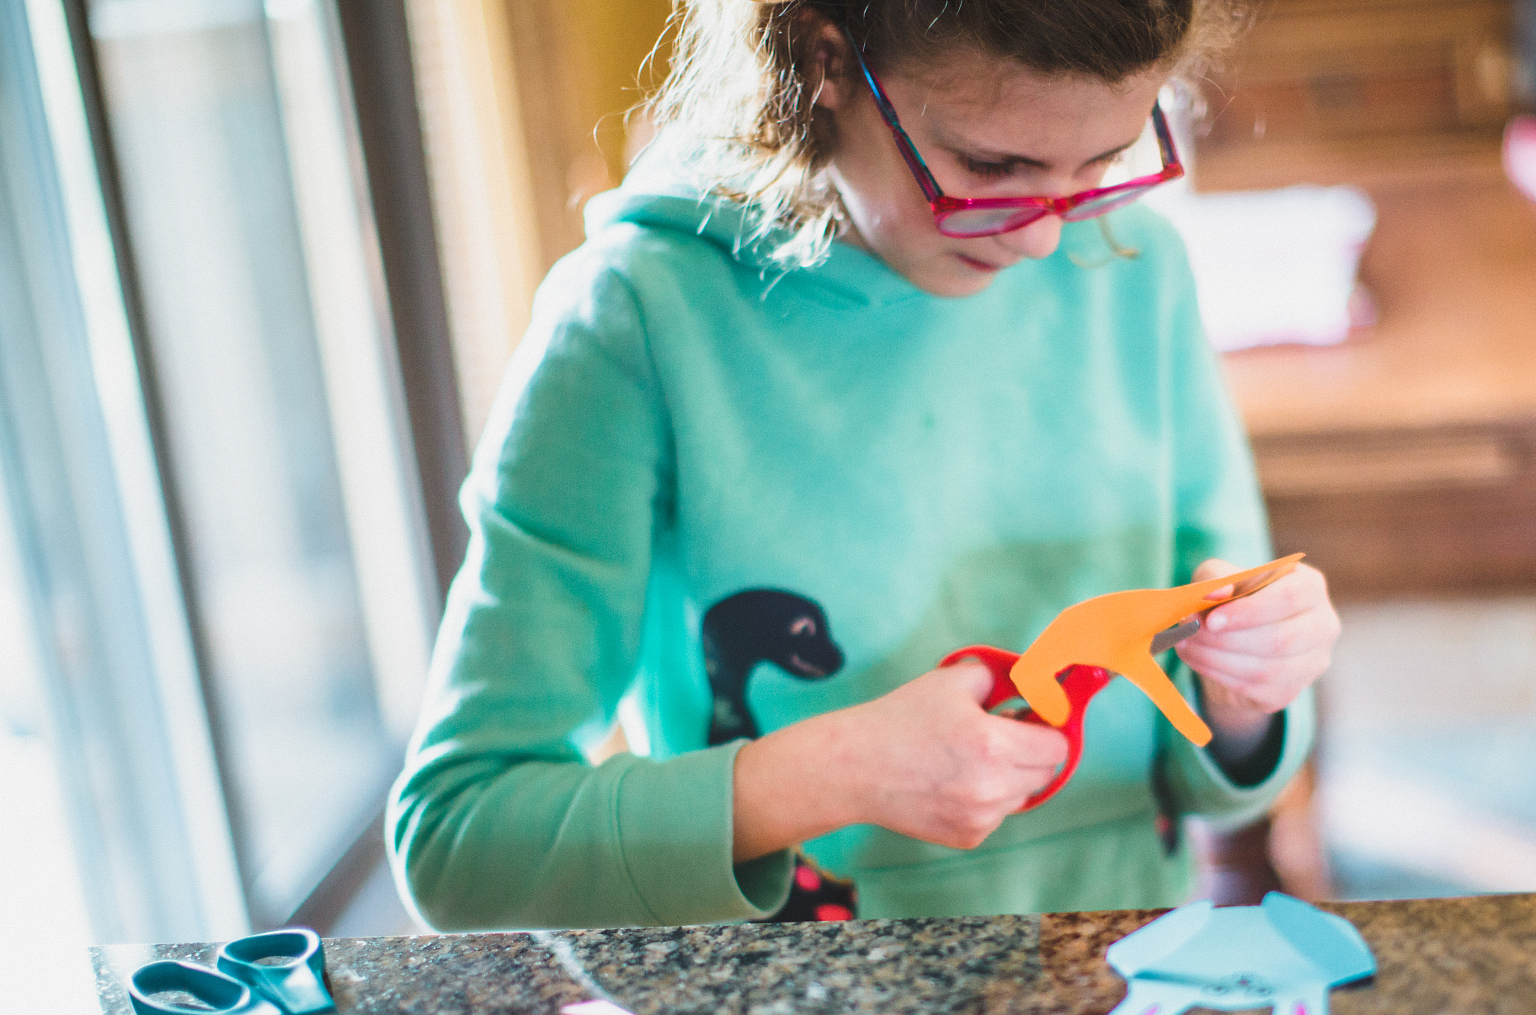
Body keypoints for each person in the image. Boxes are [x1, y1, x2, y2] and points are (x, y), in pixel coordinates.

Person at [387, 0, 1341, 930]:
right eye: (990, 167)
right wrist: (836, 770)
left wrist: (1247, 694)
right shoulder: (636, 318)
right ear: (826, 61)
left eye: (1105, 161)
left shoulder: (1137, 267)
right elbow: (459, 843)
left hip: (1122, 973)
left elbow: (1211, 757)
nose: (1044, 233)